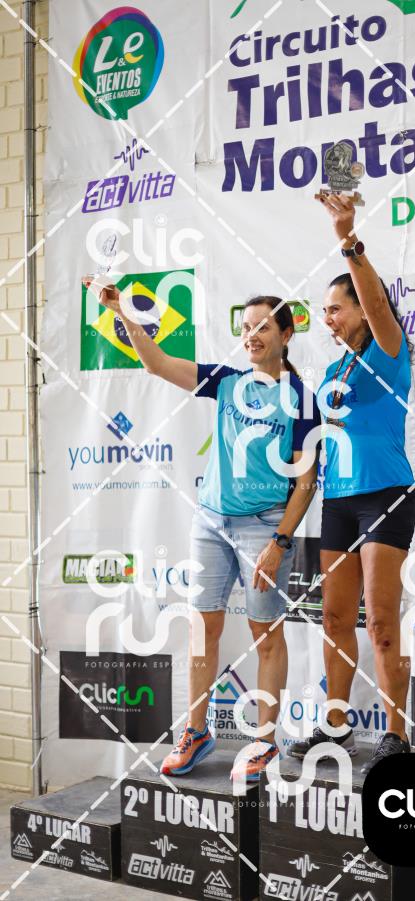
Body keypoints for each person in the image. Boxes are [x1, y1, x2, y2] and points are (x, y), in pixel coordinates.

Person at [85, 279, 320, 782]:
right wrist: (123, 311)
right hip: (211, 521)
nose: (251, 335)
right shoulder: (227, 382)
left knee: (266, 635)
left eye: (262, 327)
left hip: (265, 527)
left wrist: (280, 542)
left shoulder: (301, 398)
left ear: (286, 334)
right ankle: (196, 732)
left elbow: (306, 481)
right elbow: (156, 364)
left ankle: (264, 743)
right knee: (202, 629)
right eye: (245, 327)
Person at [288, 194, 415, 775]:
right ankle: (336, 726)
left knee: (383, 624)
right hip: (337, 500)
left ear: (363, 310)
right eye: (324, 311)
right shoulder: (336, 367)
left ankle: (395, 735)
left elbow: (376, 300)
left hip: (385, 496)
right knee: (336, 620)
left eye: (336, 309)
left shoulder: (390, 349)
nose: (329, 319)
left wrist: (347, 237)